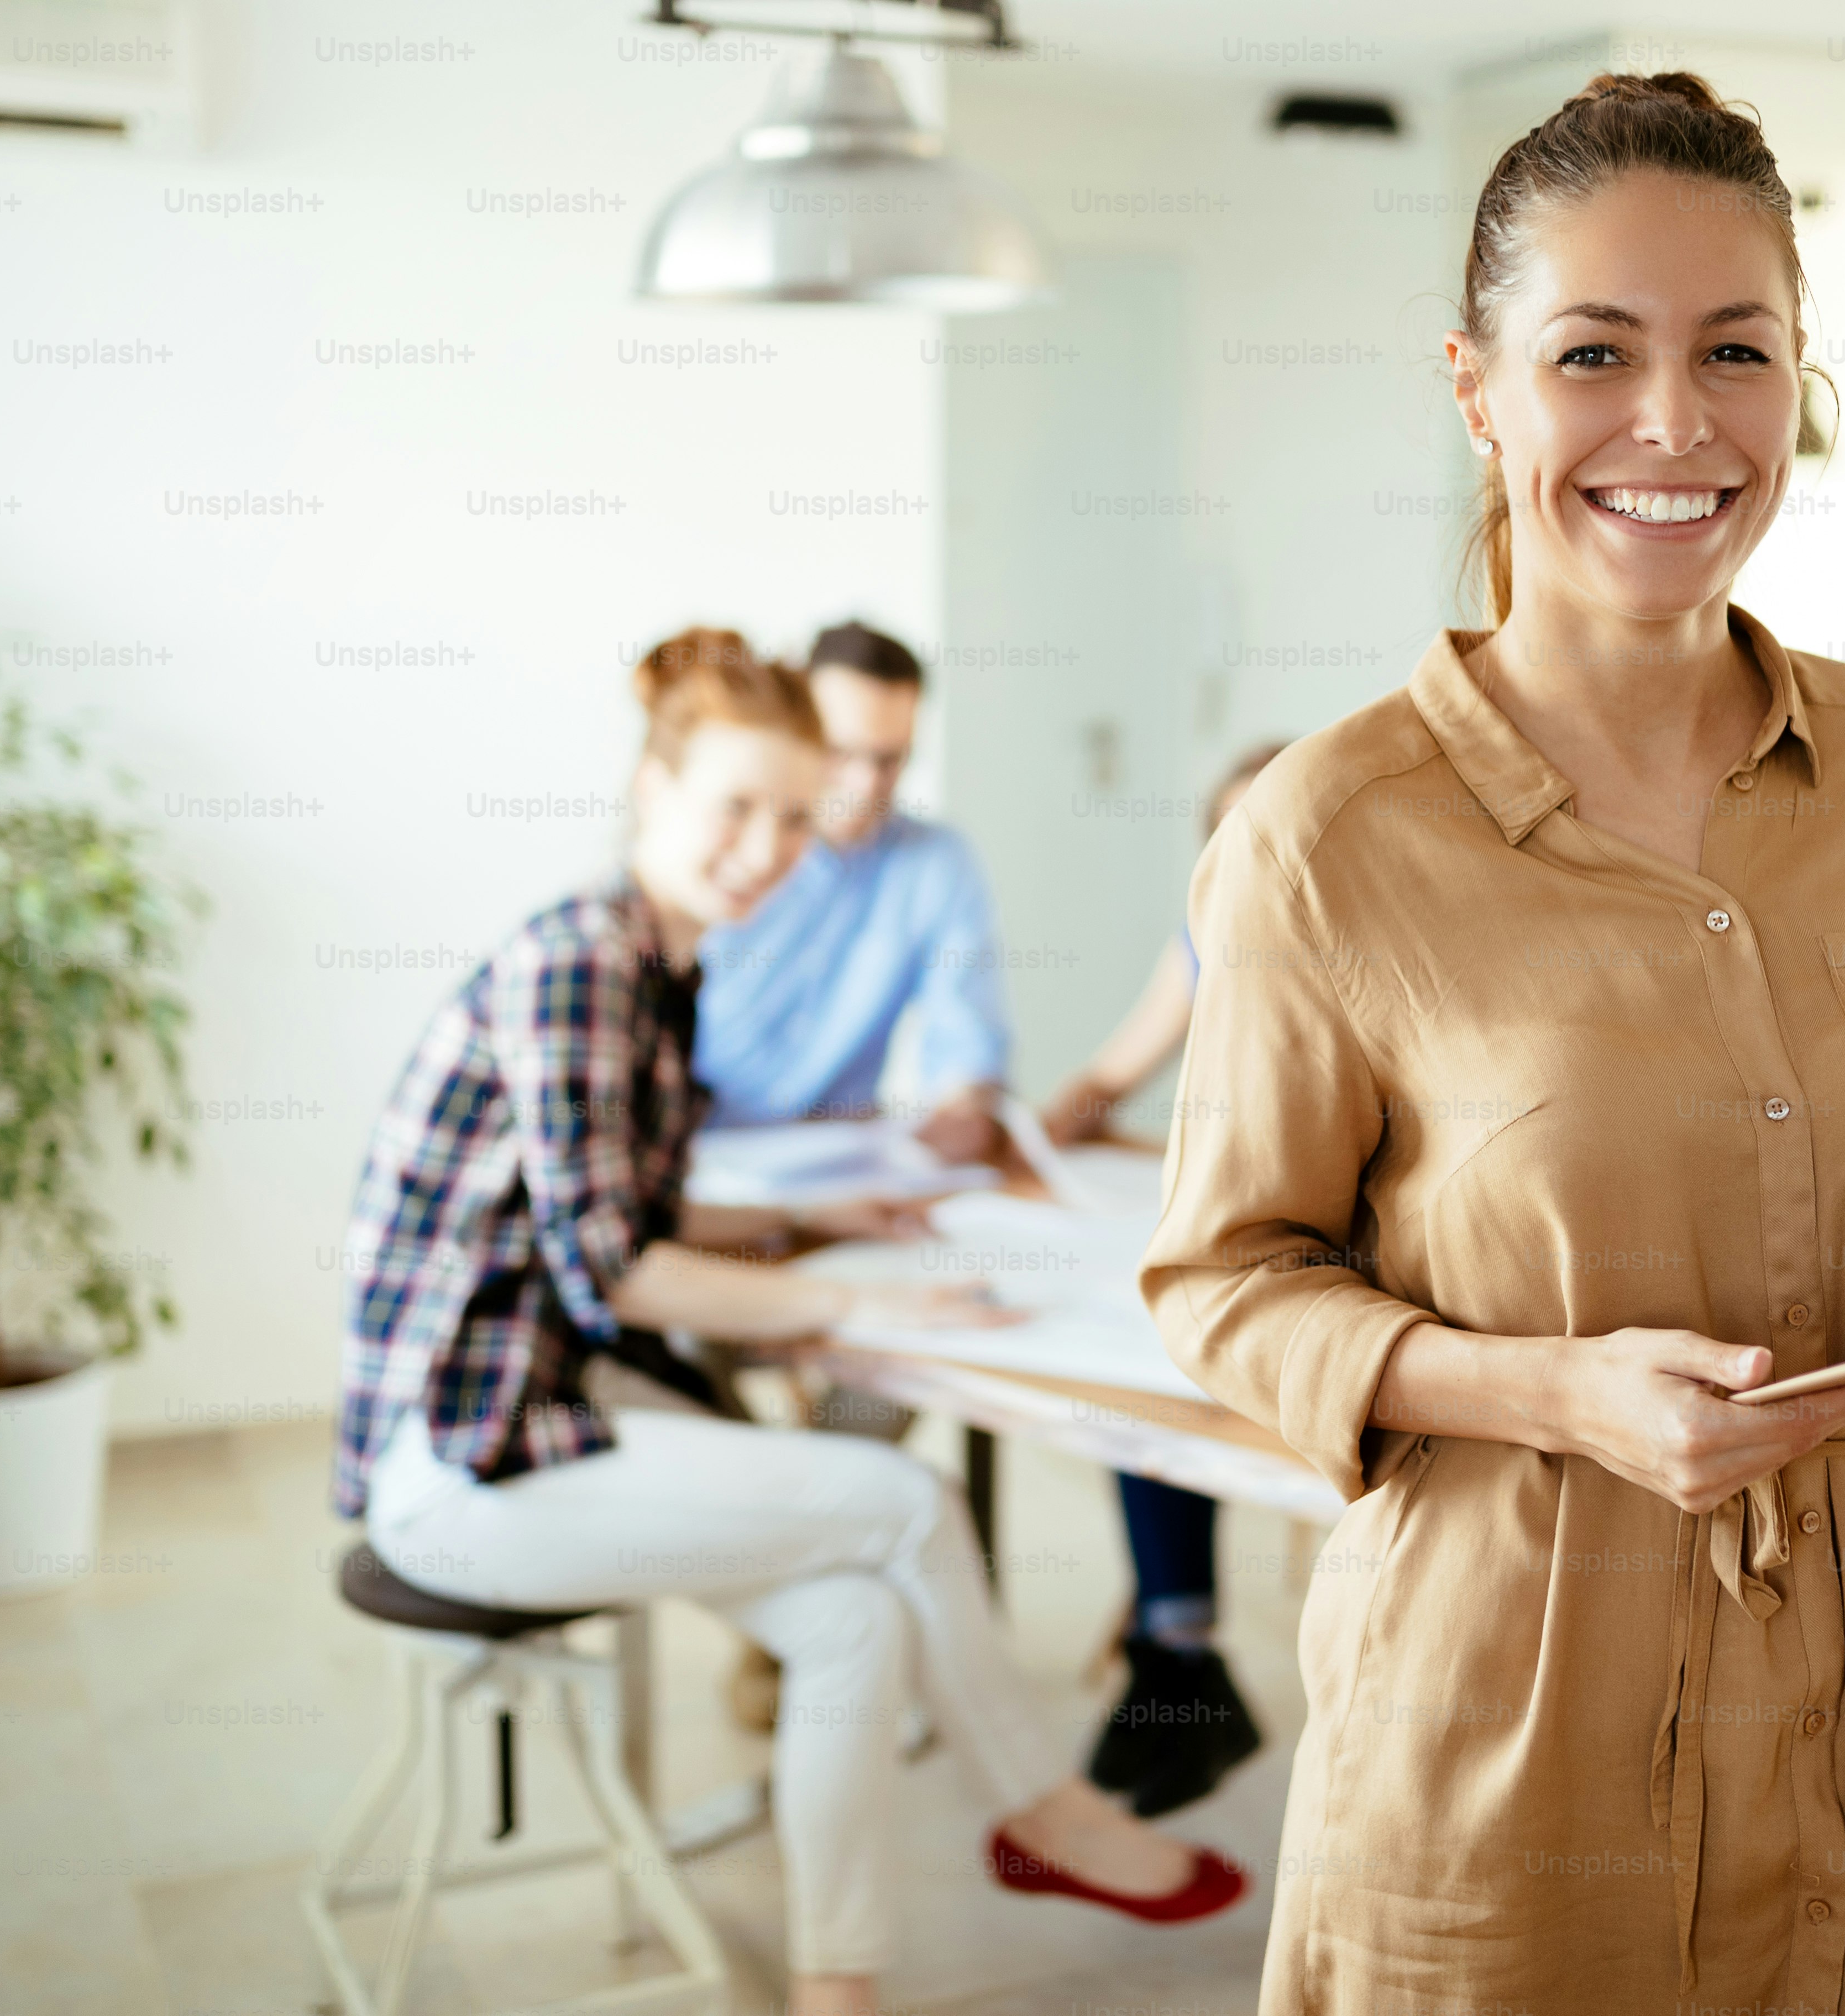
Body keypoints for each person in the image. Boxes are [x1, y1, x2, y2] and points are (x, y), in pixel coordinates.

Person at [1142, 74, 1845, 2013]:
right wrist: (1560, 1392)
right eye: (1594, 352)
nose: (1678, 423)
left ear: (1802, 383)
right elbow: (1227, 1284)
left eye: (1737, 351)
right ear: (1477, 389)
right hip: (1513, 1704)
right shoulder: (1324, 832)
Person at [336, 629, 1241, 2016]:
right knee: (910, 1503)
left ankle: (835, 1990)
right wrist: (856, 1295)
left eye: (792, 816)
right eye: (735, 809)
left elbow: (625, 1205)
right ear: (653, 788)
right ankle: (1050, 1819)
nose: (765, 850)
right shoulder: (582, 965)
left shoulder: (658, 958)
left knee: (849, 1621)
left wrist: (806, 1223)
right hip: (466, 1459)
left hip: (538, 1411)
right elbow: (617, 1269)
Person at [1040, 742, 1287, 1819]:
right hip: (1243, 1232)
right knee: (1139, 1347)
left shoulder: (1371, 942)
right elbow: (1107, 1075)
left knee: (1179, 1339)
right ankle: (1176, 1653)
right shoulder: (1207, 937)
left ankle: (1176, 1663)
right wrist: (1054, 1119)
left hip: (1333, 1256)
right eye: (1226, 841)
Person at [693, 621, 1007, 1166]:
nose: (865, 786)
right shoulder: (725, 850)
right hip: (700, 1163)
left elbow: (966, 1046)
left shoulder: (934, 865)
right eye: (841, 752)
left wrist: (966, 1108)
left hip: (843, 1171)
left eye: (890, 760)